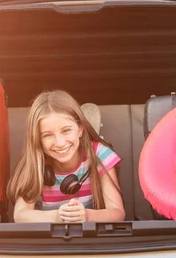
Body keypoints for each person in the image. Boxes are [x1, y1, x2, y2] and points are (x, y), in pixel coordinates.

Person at [8, 90, 125, 223]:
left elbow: (118, 213)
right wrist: (59, 216)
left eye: (66, 131)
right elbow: (20, 215)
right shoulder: (35, 161)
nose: (60, 143)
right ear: (38, 139)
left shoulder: (99, 155)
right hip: (49, 242)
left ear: (80, 129)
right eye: (47, 135)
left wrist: (87, 216)